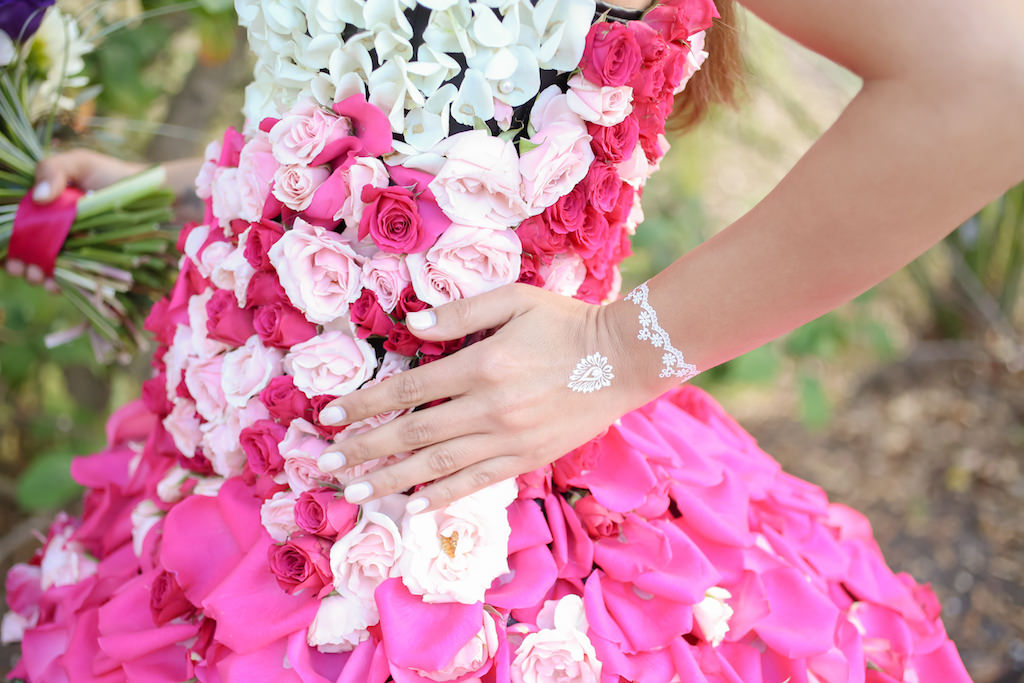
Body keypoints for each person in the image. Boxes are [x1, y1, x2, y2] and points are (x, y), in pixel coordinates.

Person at [7, 0, 1023, 680]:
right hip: (212, 495)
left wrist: (619, 354)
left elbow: (990, 80)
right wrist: (198, 194)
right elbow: (367, 94)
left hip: (468, 506)